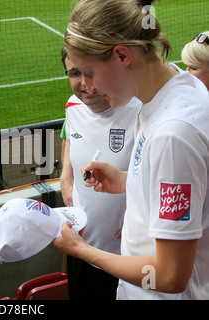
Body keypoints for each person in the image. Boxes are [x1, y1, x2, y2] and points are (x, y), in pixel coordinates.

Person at [53, 0, 209, 300]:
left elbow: (169, 276)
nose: (87, 86)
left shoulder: (172, 134)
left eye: (89, 72)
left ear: (122, 55)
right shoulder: (177, 89)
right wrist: (129, 180)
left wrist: (83, 251)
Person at [59, 46, 140, 299]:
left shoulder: (140, 111)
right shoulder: (73, 105)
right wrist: (66, 172)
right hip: (82, 250)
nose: (86, 85)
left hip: (127, 259)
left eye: (92, 73)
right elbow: (71, 135)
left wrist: (143, 214)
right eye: (74, 73)